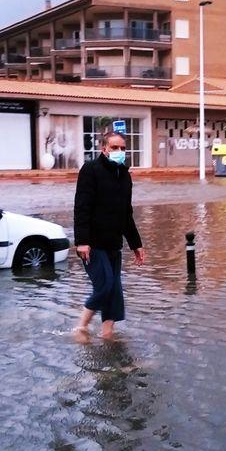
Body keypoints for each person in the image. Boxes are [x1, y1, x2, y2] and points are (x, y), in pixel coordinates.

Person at [73, 132, 145, 339]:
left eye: (123, 148)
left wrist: (135, 244)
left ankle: (107, 335)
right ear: (104, 149)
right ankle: (81, 328)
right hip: (93, 244)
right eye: (114, 148)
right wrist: (82, 242)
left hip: (114, 243)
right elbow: (82, 207)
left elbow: (126, 213)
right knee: (104, 286)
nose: (119, 152)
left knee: (114, 291)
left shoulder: (124, 176)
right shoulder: (90, 170)